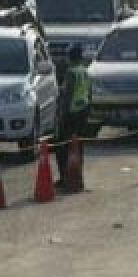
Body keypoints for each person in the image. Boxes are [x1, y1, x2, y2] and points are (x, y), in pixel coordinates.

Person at [54, 45, 91, 182]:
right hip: (83, 112)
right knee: (78, 145)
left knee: (62, 146)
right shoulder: (84, 71)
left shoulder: (71, 73)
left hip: (71, 113)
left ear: (70, 57)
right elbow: (89, 92)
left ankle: (65, 176)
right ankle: (77, 174)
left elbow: (68, 96)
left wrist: (62, 114)